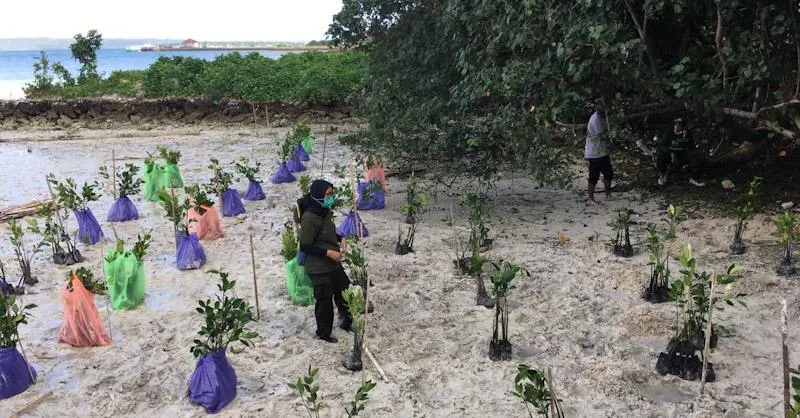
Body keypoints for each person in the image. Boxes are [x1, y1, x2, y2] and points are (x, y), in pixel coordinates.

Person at [297, 179, 352, 343]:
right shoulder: (309, 218)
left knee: (344, 291)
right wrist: (328, 253)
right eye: (327, 195)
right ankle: (324, 333)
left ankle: (346, 321)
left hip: (332, 262)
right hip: (318, 266)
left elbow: (327, 232)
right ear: (318, 195)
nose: (330, 198)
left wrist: (340, 238)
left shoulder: (325, 211)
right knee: (324, 300)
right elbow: (305, 246)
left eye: (331, 194)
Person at [656, 118, 706, 187]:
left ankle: (693, 177)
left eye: (679, 126)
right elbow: (662, 146)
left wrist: (686, 140)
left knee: (695, 158)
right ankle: (662, 175)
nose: (677, 127)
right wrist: (672, 153)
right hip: (669, 154)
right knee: (660, 155)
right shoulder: (669, 133)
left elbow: (692, 147)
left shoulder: (686, 134)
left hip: (681, 153)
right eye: (676, 125)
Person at [584, 105, 613, 205]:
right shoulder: (595, 119)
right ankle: (590, 198)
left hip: (602, 150)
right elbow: (601, 136)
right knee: (594, 175)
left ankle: (608, 194)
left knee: (608, 172)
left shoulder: (603, 117)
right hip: (594, 151)